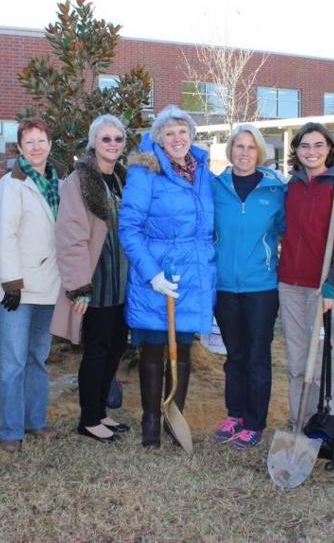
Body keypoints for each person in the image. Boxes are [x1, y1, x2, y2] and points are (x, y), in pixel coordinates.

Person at [119, 105, 216, 449]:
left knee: (184, 349)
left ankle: (175, 414)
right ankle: (150, 419)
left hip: (192, 276)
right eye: (170, 133)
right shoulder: (146, 171)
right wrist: (152, 275)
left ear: (191, 136)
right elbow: (129, 228)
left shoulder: (202, 171)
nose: (177, 139)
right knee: (153, 349)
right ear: (159, 137)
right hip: (157, 275)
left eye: (183, 132)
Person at [277, 122, 334, 438]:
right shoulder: (292, 187)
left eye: (318, 145)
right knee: (298, 360)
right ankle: (296, 423)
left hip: (325, 287)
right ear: (296, 152)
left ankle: (320, 424)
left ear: (329, 149)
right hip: (290, 284)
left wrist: (333, 282)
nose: (311, 152)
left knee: (324, 359)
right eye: (304, 146)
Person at [50, 114, 130, 444]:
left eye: (118, 139)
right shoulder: (79, 181)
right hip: (95, 281)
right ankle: (88, 418)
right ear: (93, 141)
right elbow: (70, 236)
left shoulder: (123, 179)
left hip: (122, 281)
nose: (112, 144)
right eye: (106, 138)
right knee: (96, 350)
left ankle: (100, 412)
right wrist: (79, 286)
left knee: (114, 348)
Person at [0, 120, 66, 453]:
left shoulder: (60, 185)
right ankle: (10, 431)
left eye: (42, 140)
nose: (36, 147)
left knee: (38, 358)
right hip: (16, 291)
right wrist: (11, 283)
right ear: (19, 148)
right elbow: (2, 235)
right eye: (29, 142)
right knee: (14, 362)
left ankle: (36, 421)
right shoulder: (12, 184)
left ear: (50, 144)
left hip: (49, 287)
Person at [211, 124, 287, 449]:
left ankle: (255, 422)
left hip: (261, 287)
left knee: (257, 355)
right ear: (231, 151)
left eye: (251, 147)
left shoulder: (275, 190)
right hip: (225, 286)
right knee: (235, 354)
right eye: (239, 146)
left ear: (260, 152)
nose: (244, 153)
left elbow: (289, 232)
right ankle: (235, 414)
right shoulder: (214, 188)